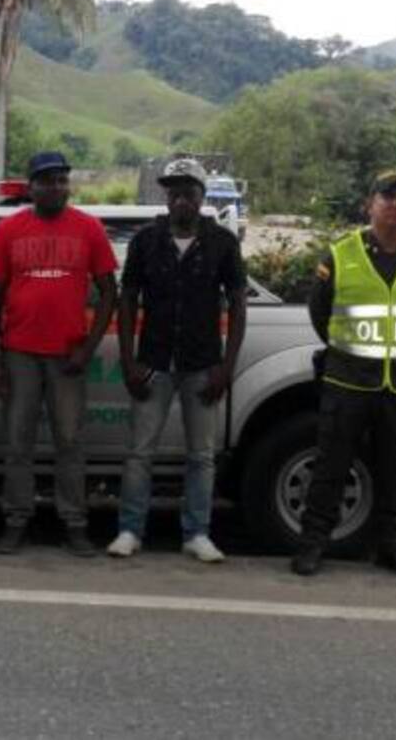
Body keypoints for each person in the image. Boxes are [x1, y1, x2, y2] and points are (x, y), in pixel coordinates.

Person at [291, 169, 396, 580]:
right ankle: (312, 545)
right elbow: (319, 312)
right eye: (388, 196)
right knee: (331, 465)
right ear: (370, 205)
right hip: (348, 380)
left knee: (395, 470)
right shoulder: (342, 252)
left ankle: (392, 547)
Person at [107, 159, 247, 563]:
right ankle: (130, 530)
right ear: (166, 197)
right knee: (139, 452)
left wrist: (226, 366)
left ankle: (197, 533)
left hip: (203, 364)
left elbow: (238, 304)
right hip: (153, 361)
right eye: (174, 192)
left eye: (189, 192)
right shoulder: (145, 242)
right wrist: (130, 361)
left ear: (203, 197)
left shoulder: (222, 243)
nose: (181, 199)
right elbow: (128, 298)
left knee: (201, 456)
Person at [0, 151, 118, 556]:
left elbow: (110, 291)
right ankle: (15, 519)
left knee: (70, 442)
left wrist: (88, 347)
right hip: (19, 353)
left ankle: (74, 522)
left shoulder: (89, 228)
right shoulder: (7, 230)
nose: (56, 186)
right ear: (31, 186)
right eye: (47, 180)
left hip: (68, 356)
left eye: (62, 179)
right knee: (17, 443)